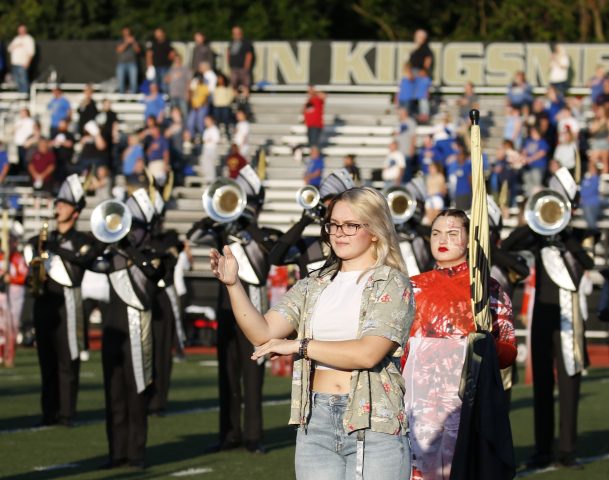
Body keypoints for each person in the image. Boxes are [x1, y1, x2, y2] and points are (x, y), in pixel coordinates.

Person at [211, 186, 413, 478]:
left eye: (351, 225)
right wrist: (233, 285)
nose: (339, 233)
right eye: (333, 224)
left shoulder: (392, 283)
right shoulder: (315, 282)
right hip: (315, 417)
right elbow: (263, 333)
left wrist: (299, 346)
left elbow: (368, 353)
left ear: (375, 230)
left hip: (374, 423)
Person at [402, 209, 517, 480]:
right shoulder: (411, 287)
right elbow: (399, 350)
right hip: (417, 404)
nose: (442, 239)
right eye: (436, 233)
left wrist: (484, 343)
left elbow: (508, 352)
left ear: (468, 241)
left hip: (467, 403)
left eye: (453, 233)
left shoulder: (486, 289)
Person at [502, 171, 594, 470]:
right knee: (541, 383)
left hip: (569, 318)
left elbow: (587, 262)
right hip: (542, 315)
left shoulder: (577, 236)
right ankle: (542, 449)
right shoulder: (537, 238)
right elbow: (506, 247)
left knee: (569, 383)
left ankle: (567, 449)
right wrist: (537, 224)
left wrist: (564, 232)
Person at [190, 166, 282, 455]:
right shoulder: (222, 230)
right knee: (227, 375)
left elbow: (271, 254)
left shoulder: (263, 235)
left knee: (252, 376)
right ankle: (228, 433)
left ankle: (254, 436)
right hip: (226, 311)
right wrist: (219, 215)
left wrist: (246, 222)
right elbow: (194, 234)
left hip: (256, 315)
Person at [97, 188, 165, 469]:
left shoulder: (154, 253)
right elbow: (91, 263)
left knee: (137, 393)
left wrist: (128, 250)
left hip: (139, 332)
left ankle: (136, 453)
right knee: (113, 396)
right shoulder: (112, 252)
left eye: (135, 226)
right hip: (113, 330)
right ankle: (116, 453)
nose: (128, 230)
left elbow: (153, 276)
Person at [26, 174, 98, 426]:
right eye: (58, 203)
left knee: (68, 359)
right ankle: (49, 411)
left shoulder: (82, 240)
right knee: (47, 360)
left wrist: (54, 249)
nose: (59, 208)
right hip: (44, 302)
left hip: (68, 303)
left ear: (76, 212)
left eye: (65, 204)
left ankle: (67, 412)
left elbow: (84, 260)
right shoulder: (45, 239)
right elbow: (29, 255)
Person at [0, 223, 28, 367]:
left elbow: (24, 277)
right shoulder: (2, 258)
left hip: (15, 296)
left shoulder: (18, 258)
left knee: (12, 326)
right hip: (3, 295)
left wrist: (9, 279)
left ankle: (9, 356)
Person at [7, 24, 35, 94]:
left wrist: (28, 63)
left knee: (23, 80)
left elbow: (31, 52)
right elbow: (9, 49)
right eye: (19, 30)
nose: (21, 31)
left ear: (25, 30)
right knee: (17, 80)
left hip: (23, 63)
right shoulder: (16, 38)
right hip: (15, 63)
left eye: (22, 30)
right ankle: (20, 94)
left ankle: (25, 95)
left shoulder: (29, 39)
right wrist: (17, 45)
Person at [146, 28, 174, 93]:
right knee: (154, 84)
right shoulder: (153, 43)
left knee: (164, 85)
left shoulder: (167, 42)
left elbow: (172, 54)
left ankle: (164, 98)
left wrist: (169, 63)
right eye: (156, 33)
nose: (157, 34)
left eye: (158, 32)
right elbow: (149, 54)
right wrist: (149, 66)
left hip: (165, 67)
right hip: (155, 67)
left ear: (162, 33)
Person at [227, 26, 254, 93]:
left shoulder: (246, 43)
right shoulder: (231, 42)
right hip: (234, 68)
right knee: (233, 84)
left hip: (243, 68)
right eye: (234, 33)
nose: (235, 35)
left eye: (237, 33)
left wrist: (246, 67)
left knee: (246, 85)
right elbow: (228, 53)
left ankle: (244, 101)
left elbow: (249, 55)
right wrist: (229, 64)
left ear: (241, 33)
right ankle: (236, 99)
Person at [116, 27, 141, 94]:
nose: (126, 33)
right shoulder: (120, 40)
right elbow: (119, 50)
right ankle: (121, 95)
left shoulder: (134, 40)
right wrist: (126, 43)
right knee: (121, 81)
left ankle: (133, 95)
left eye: (127, 32)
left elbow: (138, 51)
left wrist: (134, 42)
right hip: (121, 63)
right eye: (125, 32)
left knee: (133, 81)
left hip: (132, 63)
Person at [13, 107, 35, 174]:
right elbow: (13, 131)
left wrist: (29, 141)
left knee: (27, 159)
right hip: (19, 143)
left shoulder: (30, 121)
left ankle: (27, 172)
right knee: (20, 159)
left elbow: (33, 132)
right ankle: (22, 172)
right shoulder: (18, 121)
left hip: (27, 143)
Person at [200, 115, 220, 182]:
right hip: (206, 149)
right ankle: (207, 179)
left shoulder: (214, 129)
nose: (205, 122)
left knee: (210, 165)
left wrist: (209, 140)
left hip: (211, 149)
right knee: (205, 163)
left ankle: (211, 180)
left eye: (207, 120)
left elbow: (216, 140)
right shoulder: (206, 130)